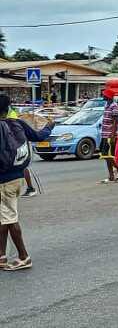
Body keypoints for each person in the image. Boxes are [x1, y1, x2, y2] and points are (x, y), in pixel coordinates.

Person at [0, 94, 54, 271]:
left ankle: (24, 256)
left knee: (9, 218)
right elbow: (38, 136)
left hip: (3, 181)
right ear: (8, 109)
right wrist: (49, 126)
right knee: (4, 218)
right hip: (17, 177)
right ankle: (1, 256)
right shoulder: (17, 123)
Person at [98, 89, 118, 184]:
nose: (103, 96)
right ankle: (111, 176)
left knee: (107, 155)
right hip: (104, 133)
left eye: (104, 95)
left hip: (110, 134)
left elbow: (115, 121)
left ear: (108, 96)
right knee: (105, 155)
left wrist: (113, 135)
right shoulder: (106, 105)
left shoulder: (114, 106)